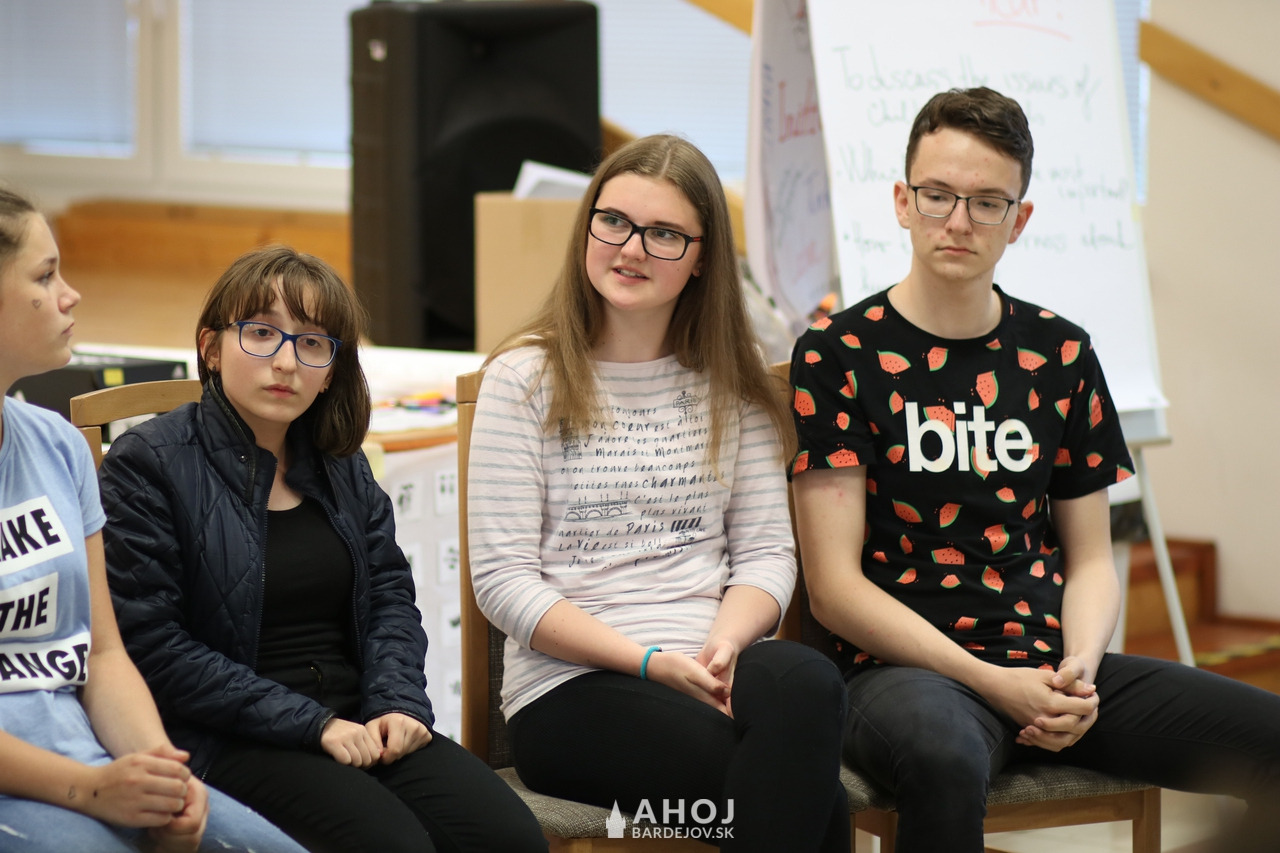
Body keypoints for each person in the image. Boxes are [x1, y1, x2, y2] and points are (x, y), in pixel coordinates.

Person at [789, 86, 1280, 853]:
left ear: (1018, 220)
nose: (958, 221)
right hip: (905, 671)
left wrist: (1077, 668)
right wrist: (993, 682)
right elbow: (833, 587)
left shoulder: (1061, 353)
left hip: (1049, 665)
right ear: (902, 202)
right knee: (944, 759)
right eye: (938, 195)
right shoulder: (837, 354)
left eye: (987, 202)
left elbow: (1091, 560)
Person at [468, 134, 850, 852]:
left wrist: (722, 647)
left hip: (713, 668)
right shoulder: (522, 379)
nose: (631, 249)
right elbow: (503, 581)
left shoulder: (734, 382)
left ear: (703, 257)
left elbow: (767, 555)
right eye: (613, 221)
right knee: (813, 798)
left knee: (804, 677)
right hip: (571, 690)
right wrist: (649, 663)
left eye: (665, 233)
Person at [97, 245, 547, 853]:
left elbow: (389, 597)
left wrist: (397, 704)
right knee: (393, 845)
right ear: (211, 348)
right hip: (224, 734)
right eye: (262, 333)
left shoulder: (339, 461)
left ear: (331, 370)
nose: (286, 362)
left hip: (354, 718)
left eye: (312, 343)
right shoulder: (147, 463)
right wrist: (314, 725)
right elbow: (153, 646)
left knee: (509, 837)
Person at [0, 188, 306, 853]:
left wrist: (162, 772)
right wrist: (89, 790)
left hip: (87, 758)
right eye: (45, 276)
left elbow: (103, 654)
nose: (70, 294)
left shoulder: (58, 446)